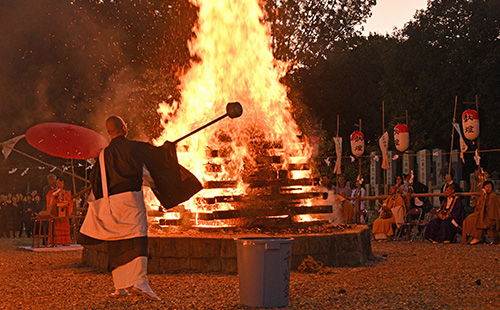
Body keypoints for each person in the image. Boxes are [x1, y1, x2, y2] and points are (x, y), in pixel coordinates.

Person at [79, 115, 201, 300]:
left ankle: (120, 287)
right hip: (130, 200)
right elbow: (156, 157)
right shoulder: (134, 147)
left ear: (109, 132)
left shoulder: (103, 156)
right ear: (124, 128)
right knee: (137, 238)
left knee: (118, 241)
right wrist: (167, 149)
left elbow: (96, 181)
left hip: (111, 203)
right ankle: (141, 283)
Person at [46, 179, 73, 245]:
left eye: (61, 183)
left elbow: (70, 201)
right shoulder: (51, 193)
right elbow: (50, 201)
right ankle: (54, 241)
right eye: (58, 183)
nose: (60, 185)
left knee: (64, 227)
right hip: (55, 213)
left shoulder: (66, 193)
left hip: (64, 213)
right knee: (55, 227)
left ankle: (65, 241)